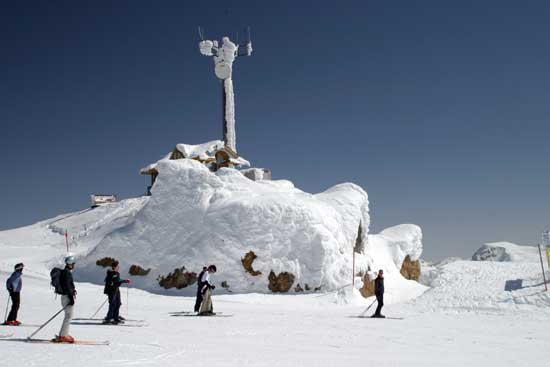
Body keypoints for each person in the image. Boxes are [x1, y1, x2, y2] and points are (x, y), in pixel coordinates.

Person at [54, 256, 77, 343]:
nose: (74, 265)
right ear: (70, 264)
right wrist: (71, 297)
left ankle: (63, 334)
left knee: (68, 316)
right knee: (69, 316)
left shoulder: (65, 272)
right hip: (67, 296)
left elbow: (68, 285)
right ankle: (63, 336)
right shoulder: (67, 273)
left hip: (65, 296)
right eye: (73, 264)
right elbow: (67, 286)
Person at [103, 260, 130, 324]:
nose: (118, 267)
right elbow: (115, 281)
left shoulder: (116, 273)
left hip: (116, 290)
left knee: (118, 303)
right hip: (112, 291)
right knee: (113, 304)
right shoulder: (112, 273)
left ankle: (115, 317)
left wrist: (124, 281)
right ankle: (109, 318)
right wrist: (124, 281)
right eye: (117, 266)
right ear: (114, 267)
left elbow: (117, 281)